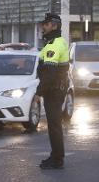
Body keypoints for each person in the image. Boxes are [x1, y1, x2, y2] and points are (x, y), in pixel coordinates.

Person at [36, 13, 69, 170]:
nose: (44, 26)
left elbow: (49, 73)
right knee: (54, 125)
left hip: (53, 91)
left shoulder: (54, 45)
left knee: (54, 126)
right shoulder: (56, 42)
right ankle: (56, 156)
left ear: (54, 25)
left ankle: (57, 159)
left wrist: (38, 92)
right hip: (56, 89)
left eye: (47, 24)